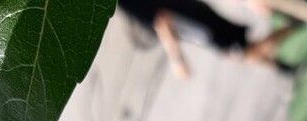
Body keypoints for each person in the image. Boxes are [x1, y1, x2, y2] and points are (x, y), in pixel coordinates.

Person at [118, 0, 294, 78]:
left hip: (197, 24)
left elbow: (161, 21)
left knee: (246, 52)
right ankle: (283, 68)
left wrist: (177, 60)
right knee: (239, 53)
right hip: (196, 18)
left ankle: (296, 24)